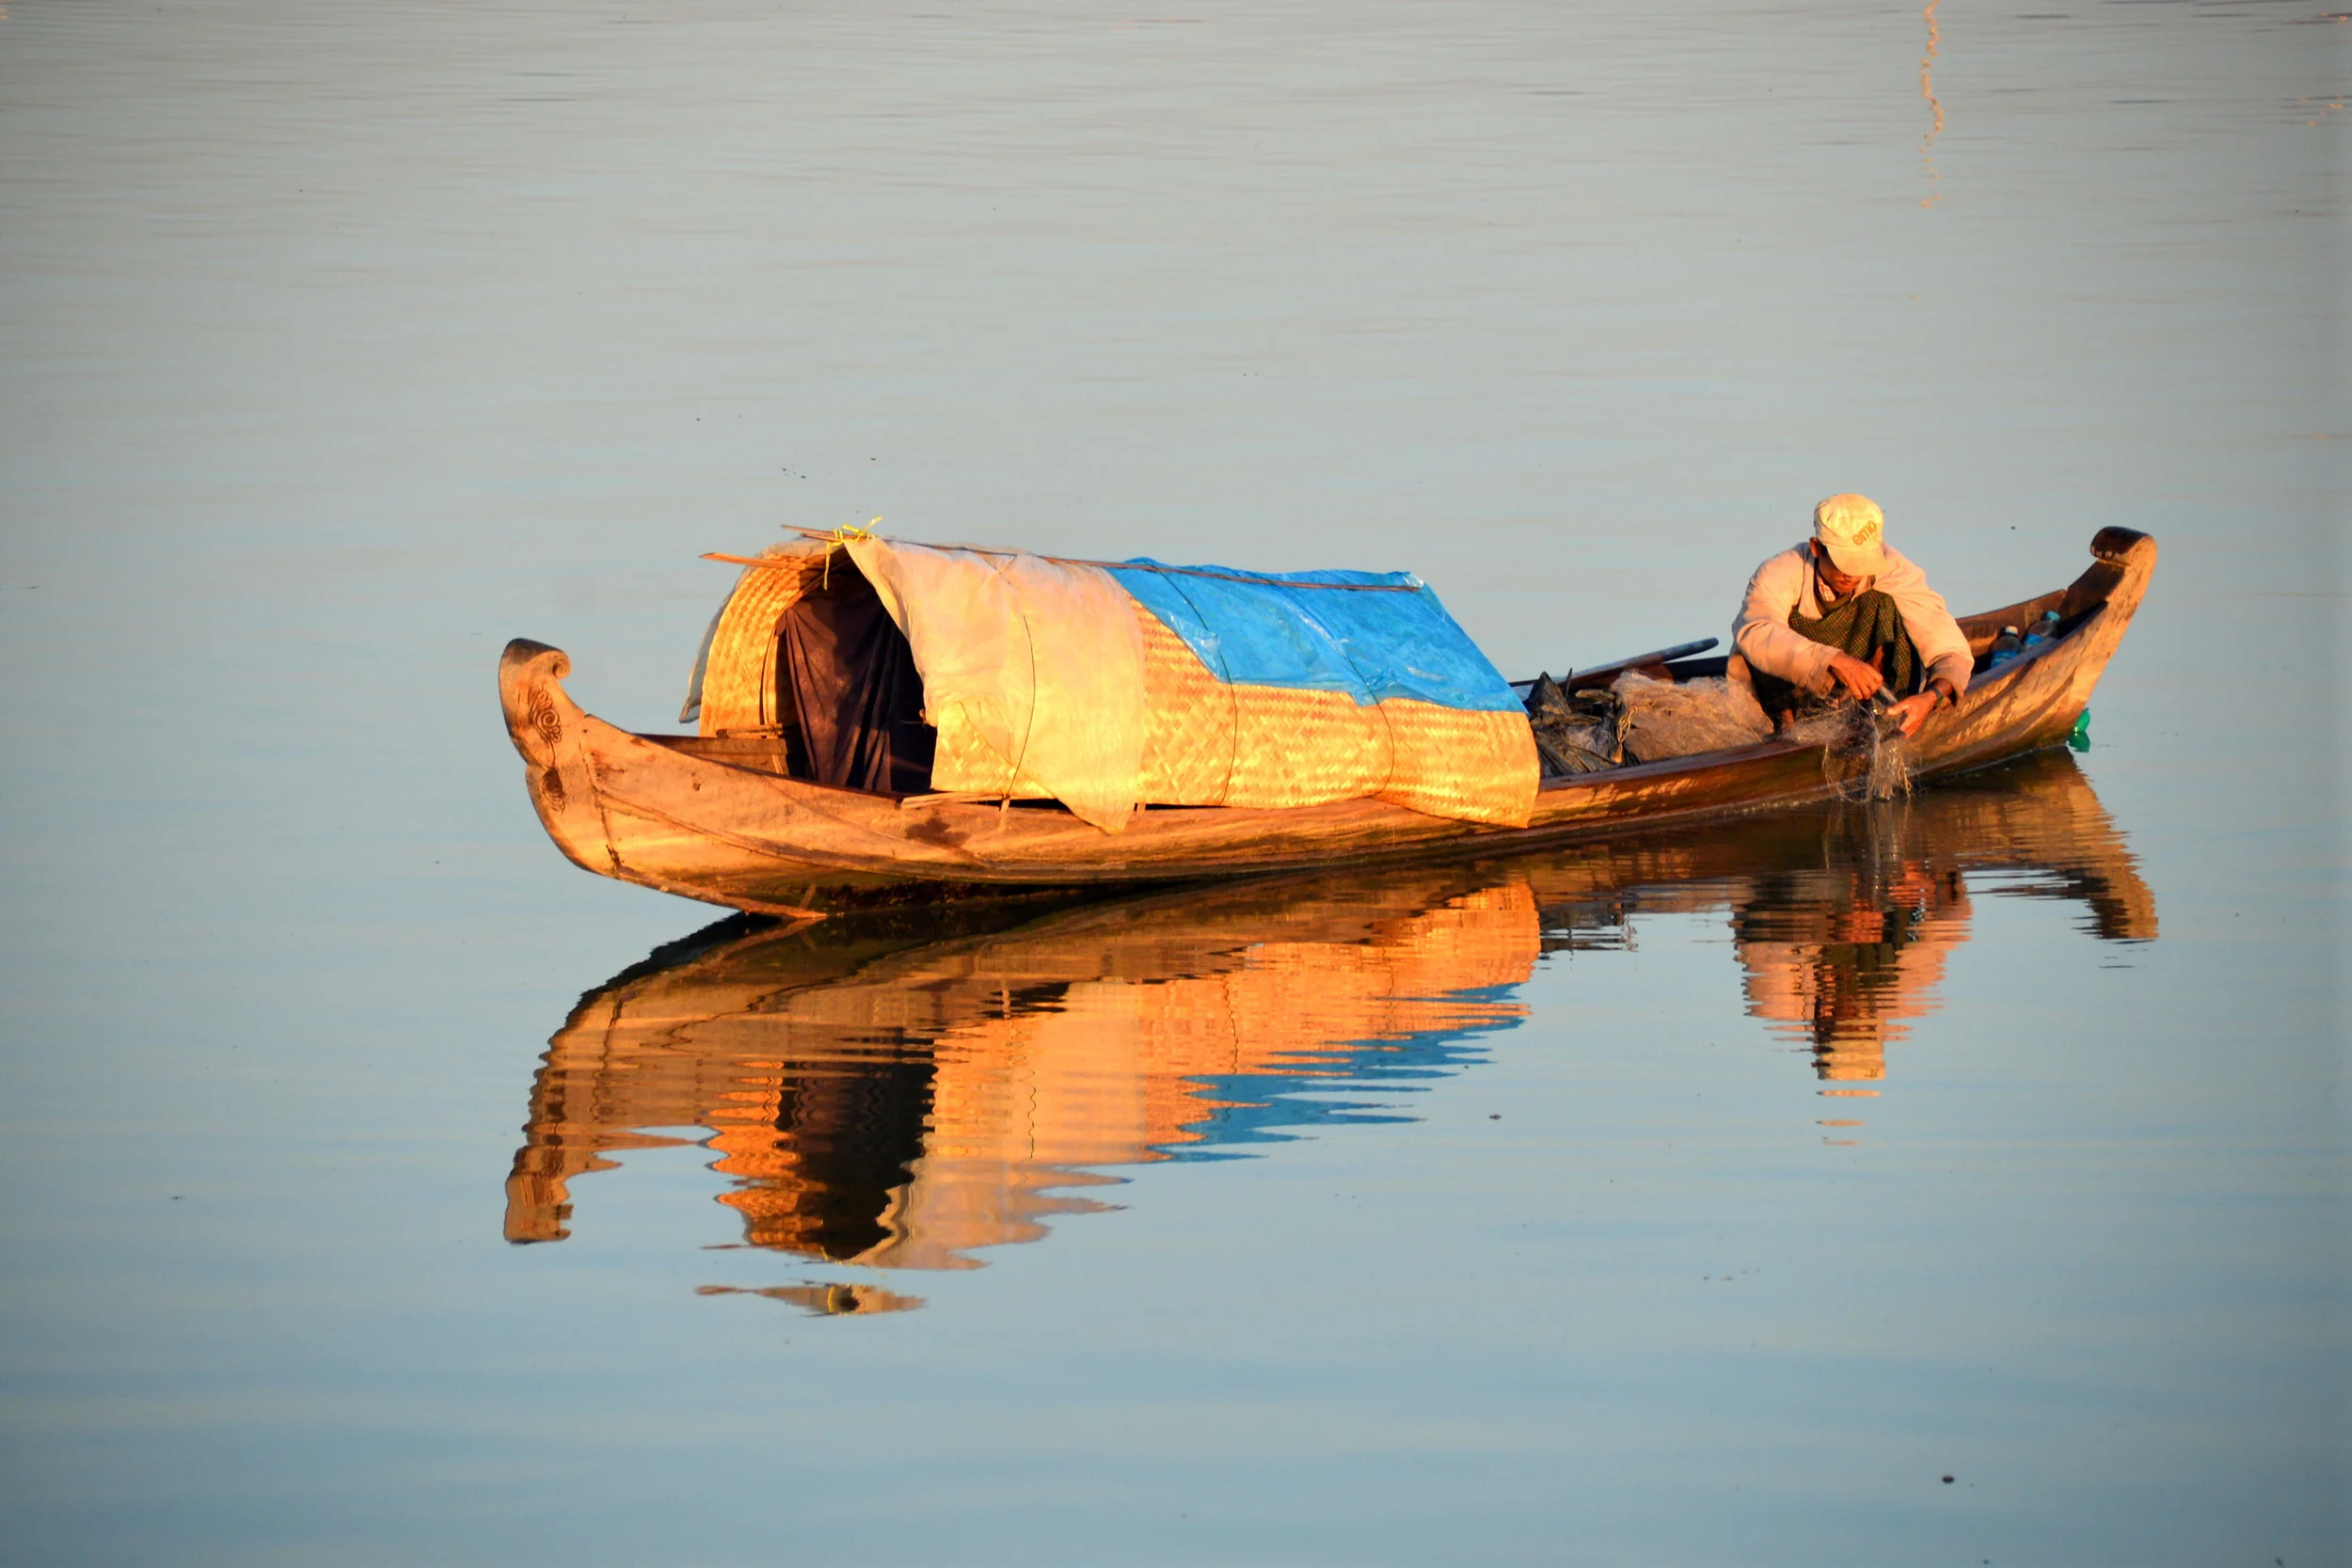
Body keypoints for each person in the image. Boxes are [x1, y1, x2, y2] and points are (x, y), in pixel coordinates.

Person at [1733, 494, 1971, 737]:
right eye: (1843, 563)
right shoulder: (1781, 571)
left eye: (1862, 564)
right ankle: (1784, 727)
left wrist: (1931, 697)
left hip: (1858, 687)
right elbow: (1756, 630)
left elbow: (1950, 649)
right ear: (1816, 547)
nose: (1853, 576)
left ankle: (1875, 712)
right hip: (1789, 694)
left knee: (1885, 602)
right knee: (1769, 642)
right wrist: (1834, 660)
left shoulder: (1892, 567)